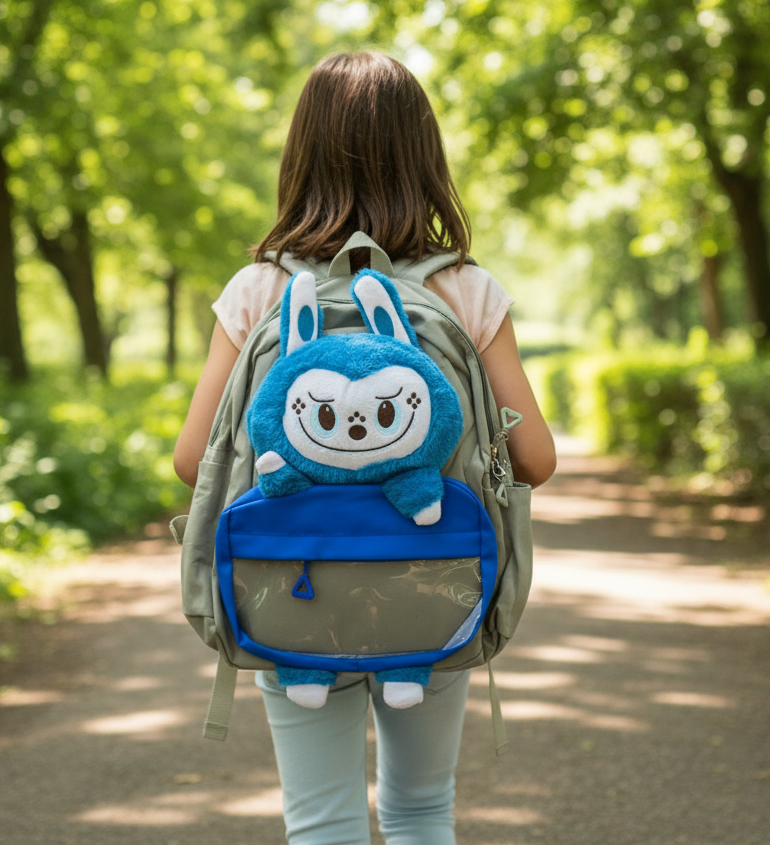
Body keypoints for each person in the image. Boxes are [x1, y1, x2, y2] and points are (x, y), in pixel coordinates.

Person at [174, 51, 556, 845]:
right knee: (421, 811)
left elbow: (191, 462)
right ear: (425, 156)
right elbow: (535, 461)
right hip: (434, 579)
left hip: (290, 584)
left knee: (321, 821)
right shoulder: (464, 289)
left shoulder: (259, 290)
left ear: (300, 156)